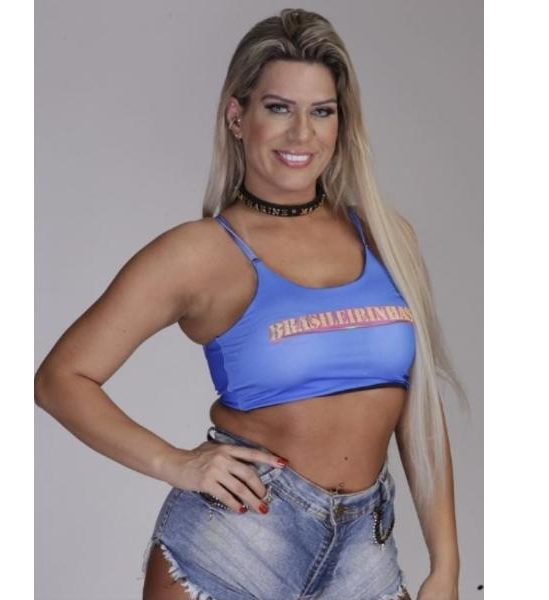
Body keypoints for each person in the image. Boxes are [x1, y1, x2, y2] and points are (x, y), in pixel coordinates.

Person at [35, 8, 468, 600]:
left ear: (342, 122)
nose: (302, 134)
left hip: (363, 555)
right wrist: (175, 462)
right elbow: (61, 379)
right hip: (236, 547)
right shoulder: (200, 253)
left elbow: (420, 413)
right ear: (237, 117)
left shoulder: (388, 239)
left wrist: (445, 564)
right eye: (279, 108)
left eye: (322, 111)